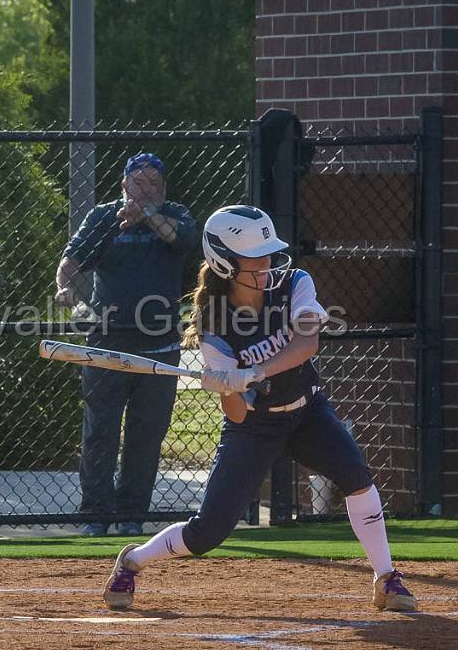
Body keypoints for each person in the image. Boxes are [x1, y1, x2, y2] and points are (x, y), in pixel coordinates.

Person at [102, 205, 417, 613]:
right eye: (255, 255)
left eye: (269, 251)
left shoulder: (295, 283)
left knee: (357, 477)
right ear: (225, 262)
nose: (267, 261)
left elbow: (307, 344)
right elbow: (236, 414)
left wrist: (252, 370)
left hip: (307, 412)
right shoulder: (214, 324)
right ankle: (133, 560)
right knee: (207, 533)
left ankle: (386, 578)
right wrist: (226, 386)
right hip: (254, 428)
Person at [55, 153, 197, 536]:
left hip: (159, 347)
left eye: (154, 182)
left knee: (146, 433)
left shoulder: (176, 215)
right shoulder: (103, 218)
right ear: (124, 184)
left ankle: (131, 515)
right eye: (139, 181)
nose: (146, 188)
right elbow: (70, 260)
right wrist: (64, 287)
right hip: (106, 343)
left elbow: (180, 240)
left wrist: (147, 213)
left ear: (164, 187)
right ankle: (94, 516)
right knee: (99, 430)